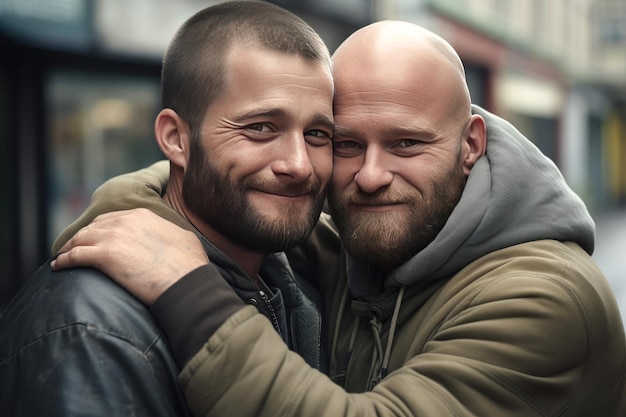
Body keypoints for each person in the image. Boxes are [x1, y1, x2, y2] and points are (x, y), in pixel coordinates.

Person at [52, 20, 626, 417]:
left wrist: (186, 288)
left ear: (470, 143)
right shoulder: (354, 247)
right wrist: (133, 219)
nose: (371, 176)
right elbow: (215, 191)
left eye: (405, 144)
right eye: (346, 144)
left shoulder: (546, 299)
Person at [0, 2, 335, 416]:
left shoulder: (306, 285)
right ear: (176, 138)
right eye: (260, 128)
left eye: (318, 133)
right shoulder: (90, 327)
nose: (299, 164)